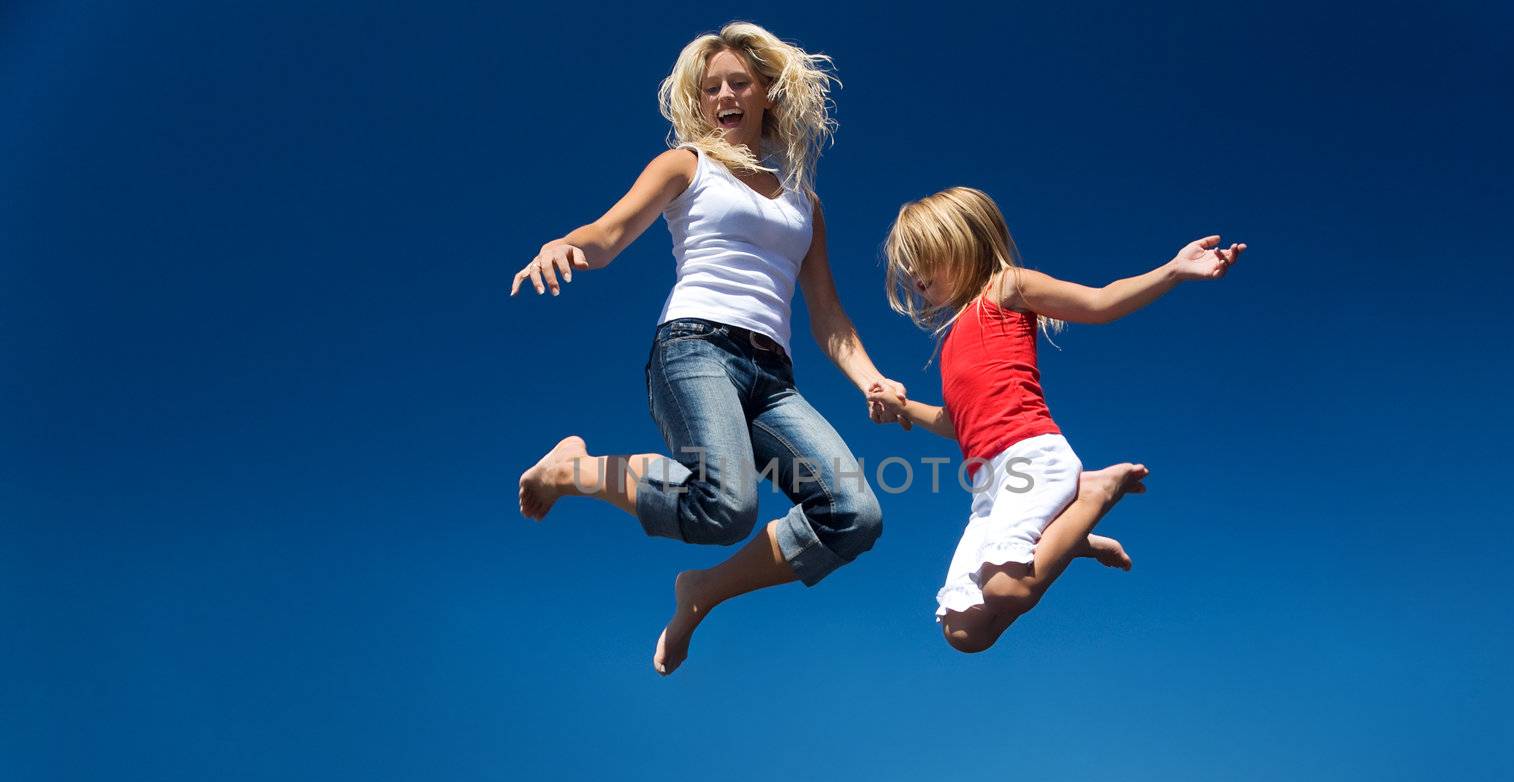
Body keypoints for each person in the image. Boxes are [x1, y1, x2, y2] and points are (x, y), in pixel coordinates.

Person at [510, 23, 907, 675]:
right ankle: (572, 469)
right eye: (711, 86)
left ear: (768, 96)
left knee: (854, 513)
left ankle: (702, 590)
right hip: (694, 349)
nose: (724, 94)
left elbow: (828, 315)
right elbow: (610, 234)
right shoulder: (686, 165)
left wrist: (870, 378)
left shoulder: (805, 202)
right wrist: (565, 244)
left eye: (738, 83)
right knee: (725, 506)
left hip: (772, 379)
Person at [869, 186, 1245, 653]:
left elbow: (1101, 302)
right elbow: (955, 423)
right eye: (907, 265)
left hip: (1033, 456)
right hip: (987, 485)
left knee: (1006, 589)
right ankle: (1074, 540)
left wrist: (1172, 270)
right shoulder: (949, 346)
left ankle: (1095, 490)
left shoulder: (1007, 289)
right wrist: (902, 405)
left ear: (962, 241)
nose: (913, 274)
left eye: (921, 257)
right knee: (965, 631)